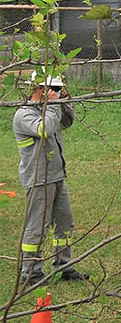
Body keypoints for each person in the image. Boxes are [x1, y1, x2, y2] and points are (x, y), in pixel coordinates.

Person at [14, 73, 88, 286]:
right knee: (37, 227)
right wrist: (54, 105)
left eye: (58, 88)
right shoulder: (24, 114)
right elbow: (45, 129)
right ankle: (31, 274)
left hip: (56, 176)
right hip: (38, 179)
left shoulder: (48, 109)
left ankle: (63, 267)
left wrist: (64, 103)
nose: (57, 91)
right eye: (54, 89)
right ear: (40, 88)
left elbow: (66, 122)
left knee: (65, 223)